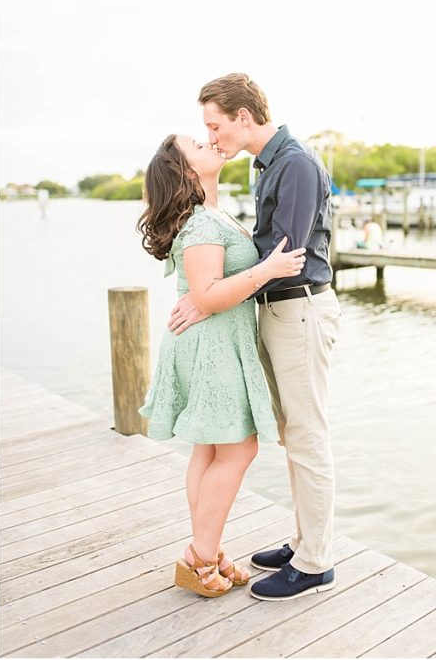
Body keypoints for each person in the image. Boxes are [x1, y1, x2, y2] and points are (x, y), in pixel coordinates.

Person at [171, 73, 341, 601]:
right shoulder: (268, 164)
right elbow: (267, 255)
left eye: (215, 125)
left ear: (244, 117)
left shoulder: (293, 163)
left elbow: (283, 259)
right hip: (279, 312)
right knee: (293, 436)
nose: (213, 135)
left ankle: (315, 562)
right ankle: (302, 541)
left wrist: (210, 298)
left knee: (308, 437)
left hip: (301, 311)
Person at [138, 134, 305, 598]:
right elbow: (209, 295)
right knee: (238, 448)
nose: (207, 140)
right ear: (186, 172)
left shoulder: (211, 215)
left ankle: (204, 549)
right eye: (194, 143)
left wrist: (223, 288)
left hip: (214, 339)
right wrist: (267, 269)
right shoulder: (201, 226)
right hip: (211, 345)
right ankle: (201, 555)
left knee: (211, 451)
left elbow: (206, 292)